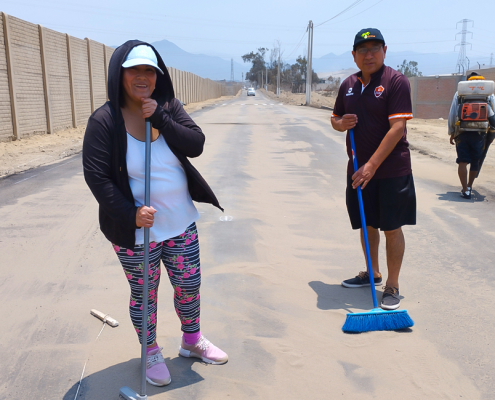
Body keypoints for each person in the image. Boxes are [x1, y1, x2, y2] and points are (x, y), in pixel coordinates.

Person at [83, 40, 228, 387]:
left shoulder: (169, 106)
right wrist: (129, 214)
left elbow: (196, 143)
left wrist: (160, 116)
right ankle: (150, 351)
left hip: (179, 223)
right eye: (134, 70)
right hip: (136, 230)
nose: (143, 76)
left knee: (189, 285)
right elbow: (97, 177)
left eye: (149, 70)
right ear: (120, 74)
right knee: (145, 293)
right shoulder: (104, 121)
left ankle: (191, 341)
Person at [330, 28, 416, 310]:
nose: (369, 55)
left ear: (385, 51)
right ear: (354, 56)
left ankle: (392, 284)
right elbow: (335, 117)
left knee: (392, 227)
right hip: (358, 169)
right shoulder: (348, 85)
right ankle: (373, 273)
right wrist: (341, 124)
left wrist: (372, 165)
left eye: (375, 48)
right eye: (363, 50)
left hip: (391, 170)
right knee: (367, 224)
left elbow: (398, 128)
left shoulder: (395, 82)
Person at [447, 72, 495, 199]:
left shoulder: (459, 94)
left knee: (462, 161)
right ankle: (469, 186)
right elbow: (493, 116)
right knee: (475, 161)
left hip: (462, 133)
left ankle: (464, 190)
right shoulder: (489, 96)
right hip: (480, 134)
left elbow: (452, 113)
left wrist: (452, 132)